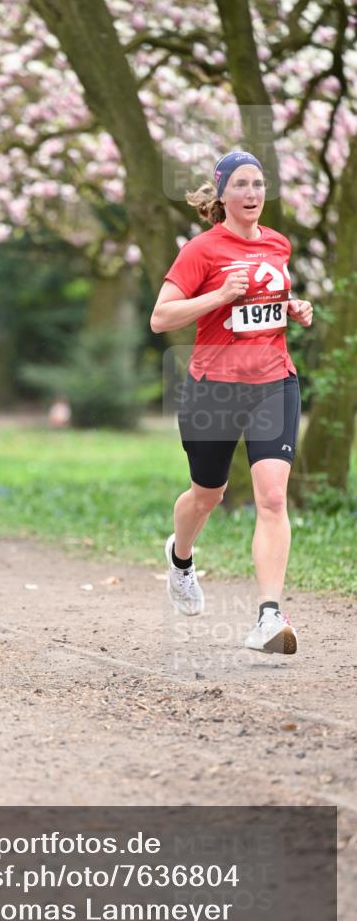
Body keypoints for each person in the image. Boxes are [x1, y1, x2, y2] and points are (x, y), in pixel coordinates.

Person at [150, 151, 313, 655]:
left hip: (273, 381)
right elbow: (160, 317)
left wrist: (292, 307)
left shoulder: (278, 244)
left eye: (258, 183)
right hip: (214, 387)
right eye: (240, 184)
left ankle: (269, 616)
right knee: (208, 494)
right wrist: (218, 296)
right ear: (222, 194)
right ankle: (180, 558)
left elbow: (266, 304)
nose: (251, 193)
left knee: (273, 497)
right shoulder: (201, 250)